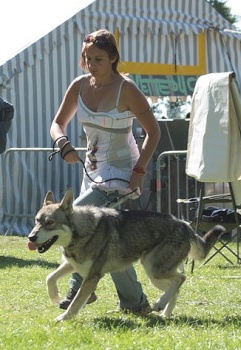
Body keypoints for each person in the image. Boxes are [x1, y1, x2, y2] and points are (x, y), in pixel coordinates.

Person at [50, 29, 161, 314]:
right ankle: (136, 304)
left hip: (123, 171)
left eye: (98, 58)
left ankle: (78, 290)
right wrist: (63, 143)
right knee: (108, 239)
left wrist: (140, 169)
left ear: (113, 58)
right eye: (87, 58)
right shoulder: (78, 85)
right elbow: (57, 124)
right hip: (92, 171)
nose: (91, 63)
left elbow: (153, 132)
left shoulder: (128, 89)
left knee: (79, 219)